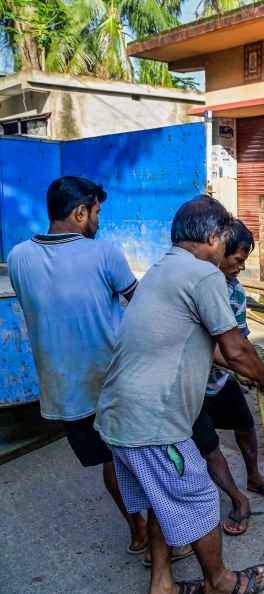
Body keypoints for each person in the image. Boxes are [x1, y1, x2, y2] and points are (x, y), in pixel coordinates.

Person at [95, 196, 264, 594]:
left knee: (164, 500)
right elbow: (234, 347)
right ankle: (220, 582)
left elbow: (213, 350)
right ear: (215, 237)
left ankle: (162, 583)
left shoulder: (162, 269)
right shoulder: (204, 275)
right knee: (196, 499)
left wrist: (247, 373)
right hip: (154, 422)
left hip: (119, 416)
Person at [7, 176, 148, 555]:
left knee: (109, 459)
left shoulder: (19, 256)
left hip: (65, 390)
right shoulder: (104, 253)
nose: (99, 222)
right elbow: (141, 304)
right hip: (113, 381)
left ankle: (138, 531)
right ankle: (163, 538)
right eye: (96, 212)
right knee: (138, 457)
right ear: (80, 212)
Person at [191, 219, 264, 539]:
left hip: (220, 378)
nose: (241, 267)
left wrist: (248, 370)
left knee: (245, 425)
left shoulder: (236, 291)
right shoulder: (199, 286)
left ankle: (254, 477)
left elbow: (240, 342)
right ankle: (238, 498)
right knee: (210, 447)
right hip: (191, 387)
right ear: (219, 251)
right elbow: (215, 348)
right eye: (238, 259)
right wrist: (262, 375)